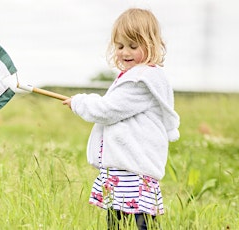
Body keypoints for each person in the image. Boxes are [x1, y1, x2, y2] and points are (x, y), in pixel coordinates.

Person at [62, 8, 180, 230]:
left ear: (151, 45)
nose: (125, 52)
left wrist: (79, 102)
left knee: (140, 223)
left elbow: (107, 110)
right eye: (120, 46)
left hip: (133, 169)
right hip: (125, 168)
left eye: (133, 46)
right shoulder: (134, 77)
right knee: (116, 222)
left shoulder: (140, 81)